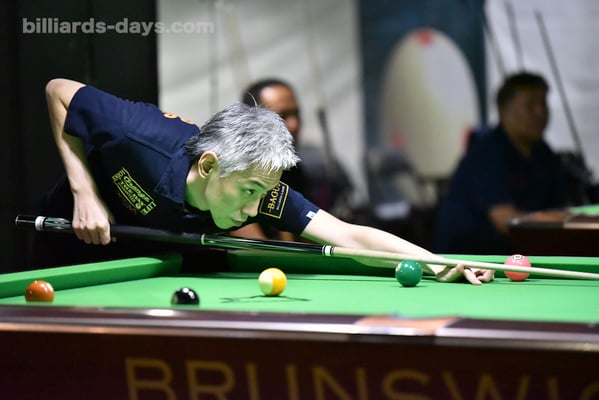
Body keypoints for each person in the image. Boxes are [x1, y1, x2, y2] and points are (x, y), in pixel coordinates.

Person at [36, 77, 493, 284]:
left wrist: (438, 263)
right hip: (75, 242)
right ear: (210, 166)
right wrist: (84, 193)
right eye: (250, 191)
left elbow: (348, 234)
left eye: (263, 192)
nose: (256, 208)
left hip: (152, 262)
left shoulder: (260, 189)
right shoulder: (137, 135)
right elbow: (59, 91)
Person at [434, 71, 568, 254]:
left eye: (543, 103)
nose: (540, 112)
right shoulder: (485, 154)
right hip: (468, 260)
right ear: (504, 111)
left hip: (520, 254)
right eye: (530, 105)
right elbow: (506, 220)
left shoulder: (543, 153)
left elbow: (560, 211)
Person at [233, 78, 352, 241]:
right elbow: (255, 249)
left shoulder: (294, 171)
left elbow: (313, 234)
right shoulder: (235, 175)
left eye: (296, 114)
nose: (294, 124)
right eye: (281, 116)